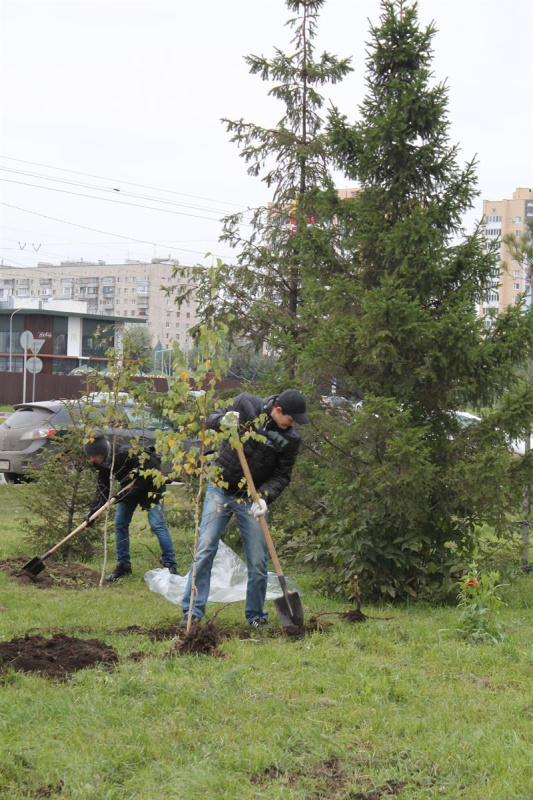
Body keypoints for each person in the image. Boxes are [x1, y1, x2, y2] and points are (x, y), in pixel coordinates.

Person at [180, 389, 309, 627]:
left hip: (251, 497)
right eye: (290, 420)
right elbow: (210, 420)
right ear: (278, 410)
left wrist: (264, 498)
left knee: (259, 558)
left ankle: (256, 616)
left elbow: (282, 475)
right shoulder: (245, 404)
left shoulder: (291, 439)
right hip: (219, 488)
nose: (292, 426)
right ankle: (192, 612)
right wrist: (222, 420)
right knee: (206, 548)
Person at [83, 431, 178, 581]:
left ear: (103, 451)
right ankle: (124, 566)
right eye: (90, 456)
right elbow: (102, 486)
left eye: (94, 456)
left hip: (152, 486)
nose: (92, 459)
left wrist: (123, 495)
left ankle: (170, 565)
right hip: (128, 488)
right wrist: (93, 511)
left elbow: (151, 470)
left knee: (157, 524)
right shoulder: (99, 462)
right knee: (120, 524)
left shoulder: (126, 453)